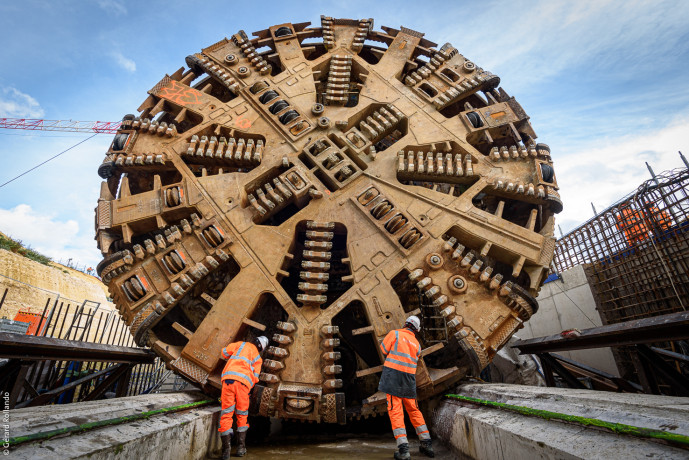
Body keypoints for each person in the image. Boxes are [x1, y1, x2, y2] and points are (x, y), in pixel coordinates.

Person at [378, 315, 434, 459]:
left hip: (393, 378)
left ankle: (404, 451)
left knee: (395, 411)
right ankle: (426, 444)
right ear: (416, 329)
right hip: (409, 380)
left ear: (405, 324)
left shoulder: (394, 334)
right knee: (414, 410)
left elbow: (383, 349)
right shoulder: (417, 344)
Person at [218, 335, 268, 459]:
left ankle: (226, 451)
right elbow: (256, 378)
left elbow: (224, 353)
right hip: (243, 385)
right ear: (261, 348)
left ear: (254, 340)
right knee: (242, 414)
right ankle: (240, 448)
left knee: (226, 414)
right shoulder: (258, 358)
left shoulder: (240, 344)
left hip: (228, 380)